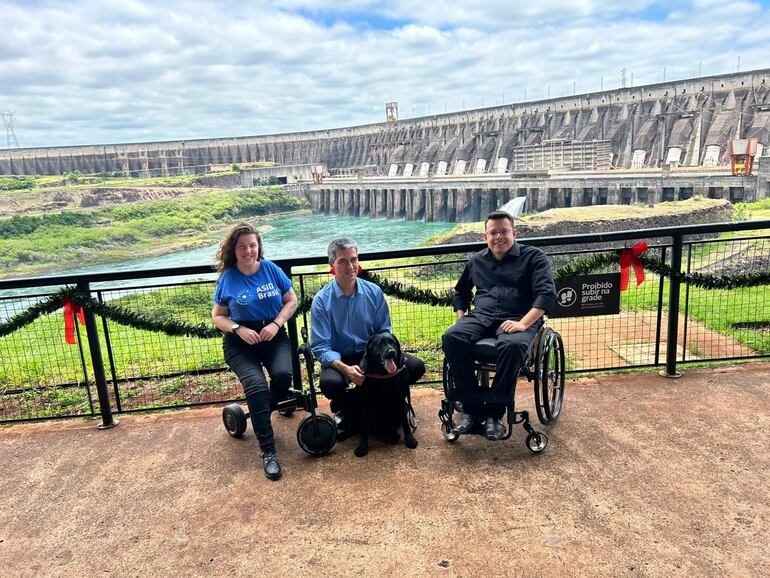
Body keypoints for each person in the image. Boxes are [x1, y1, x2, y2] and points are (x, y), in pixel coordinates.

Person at [442, 210, 556, 440]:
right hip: (481, 316)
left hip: (517, 317)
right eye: (493, 233)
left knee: (512, 347)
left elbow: (546, 294)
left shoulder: (534, 258)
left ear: (514, 232)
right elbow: (461, 292)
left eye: (503, 232)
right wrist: (461, 317)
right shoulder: (476, 260)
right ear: (485, 237)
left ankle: (494, 414)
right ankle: (472, 410)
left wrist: (524, 324)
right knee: (452, 337)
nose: (498, 237)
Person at [211, 222, 298, 480]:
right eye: (242, 247)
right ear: (233, 250)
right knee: (257, 388)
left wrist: (276, 323)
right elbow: (217, 317)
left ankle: (262, 409)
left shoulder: (271, 269)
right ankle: (268, 451)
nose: (248, 251)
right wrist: (238, 328)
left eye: (252, 245)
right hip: (241, 343)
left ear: (258, 246)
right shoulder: (228, 278)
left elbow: (291, 300)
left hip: (272, 335)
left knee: (283, 376)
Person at [310, 237, 425, 426]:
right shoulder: (321, 301)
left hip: (372, 354)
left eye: (353, 259)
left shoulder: (374, 292)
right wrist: (345, 369)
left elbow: (383, 331)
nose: (350, 266)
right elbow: (321, 346)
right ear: (331, 263)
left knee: (416, 366)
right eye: (343, 261)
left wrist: (376, 361)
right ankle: (346, 405)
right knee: (331, 383)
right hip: (341, 358)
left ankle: (389, 402)